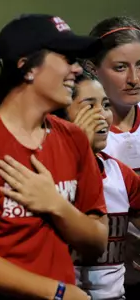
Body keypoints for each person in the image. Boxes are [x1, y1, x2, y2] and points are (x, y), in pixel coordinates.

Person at [0, 14, 108, 300]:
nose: (77, 70)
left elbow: (98, 241)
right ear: (27, 67)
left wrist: (56, 205)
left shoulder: (73, 139)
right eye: (67, 58)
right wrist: (58, 292)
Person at [52, 71, 140, 299]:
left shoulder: (120, 174)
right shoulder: (44, 174)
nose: (102, 114)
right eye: (88, 106)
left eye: (106, 105)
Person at [84, 16, 140, 297]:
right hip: (98, 284)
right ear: (92, 69)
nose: (134, 79)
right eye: (121, 68)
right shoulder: (77, 136)